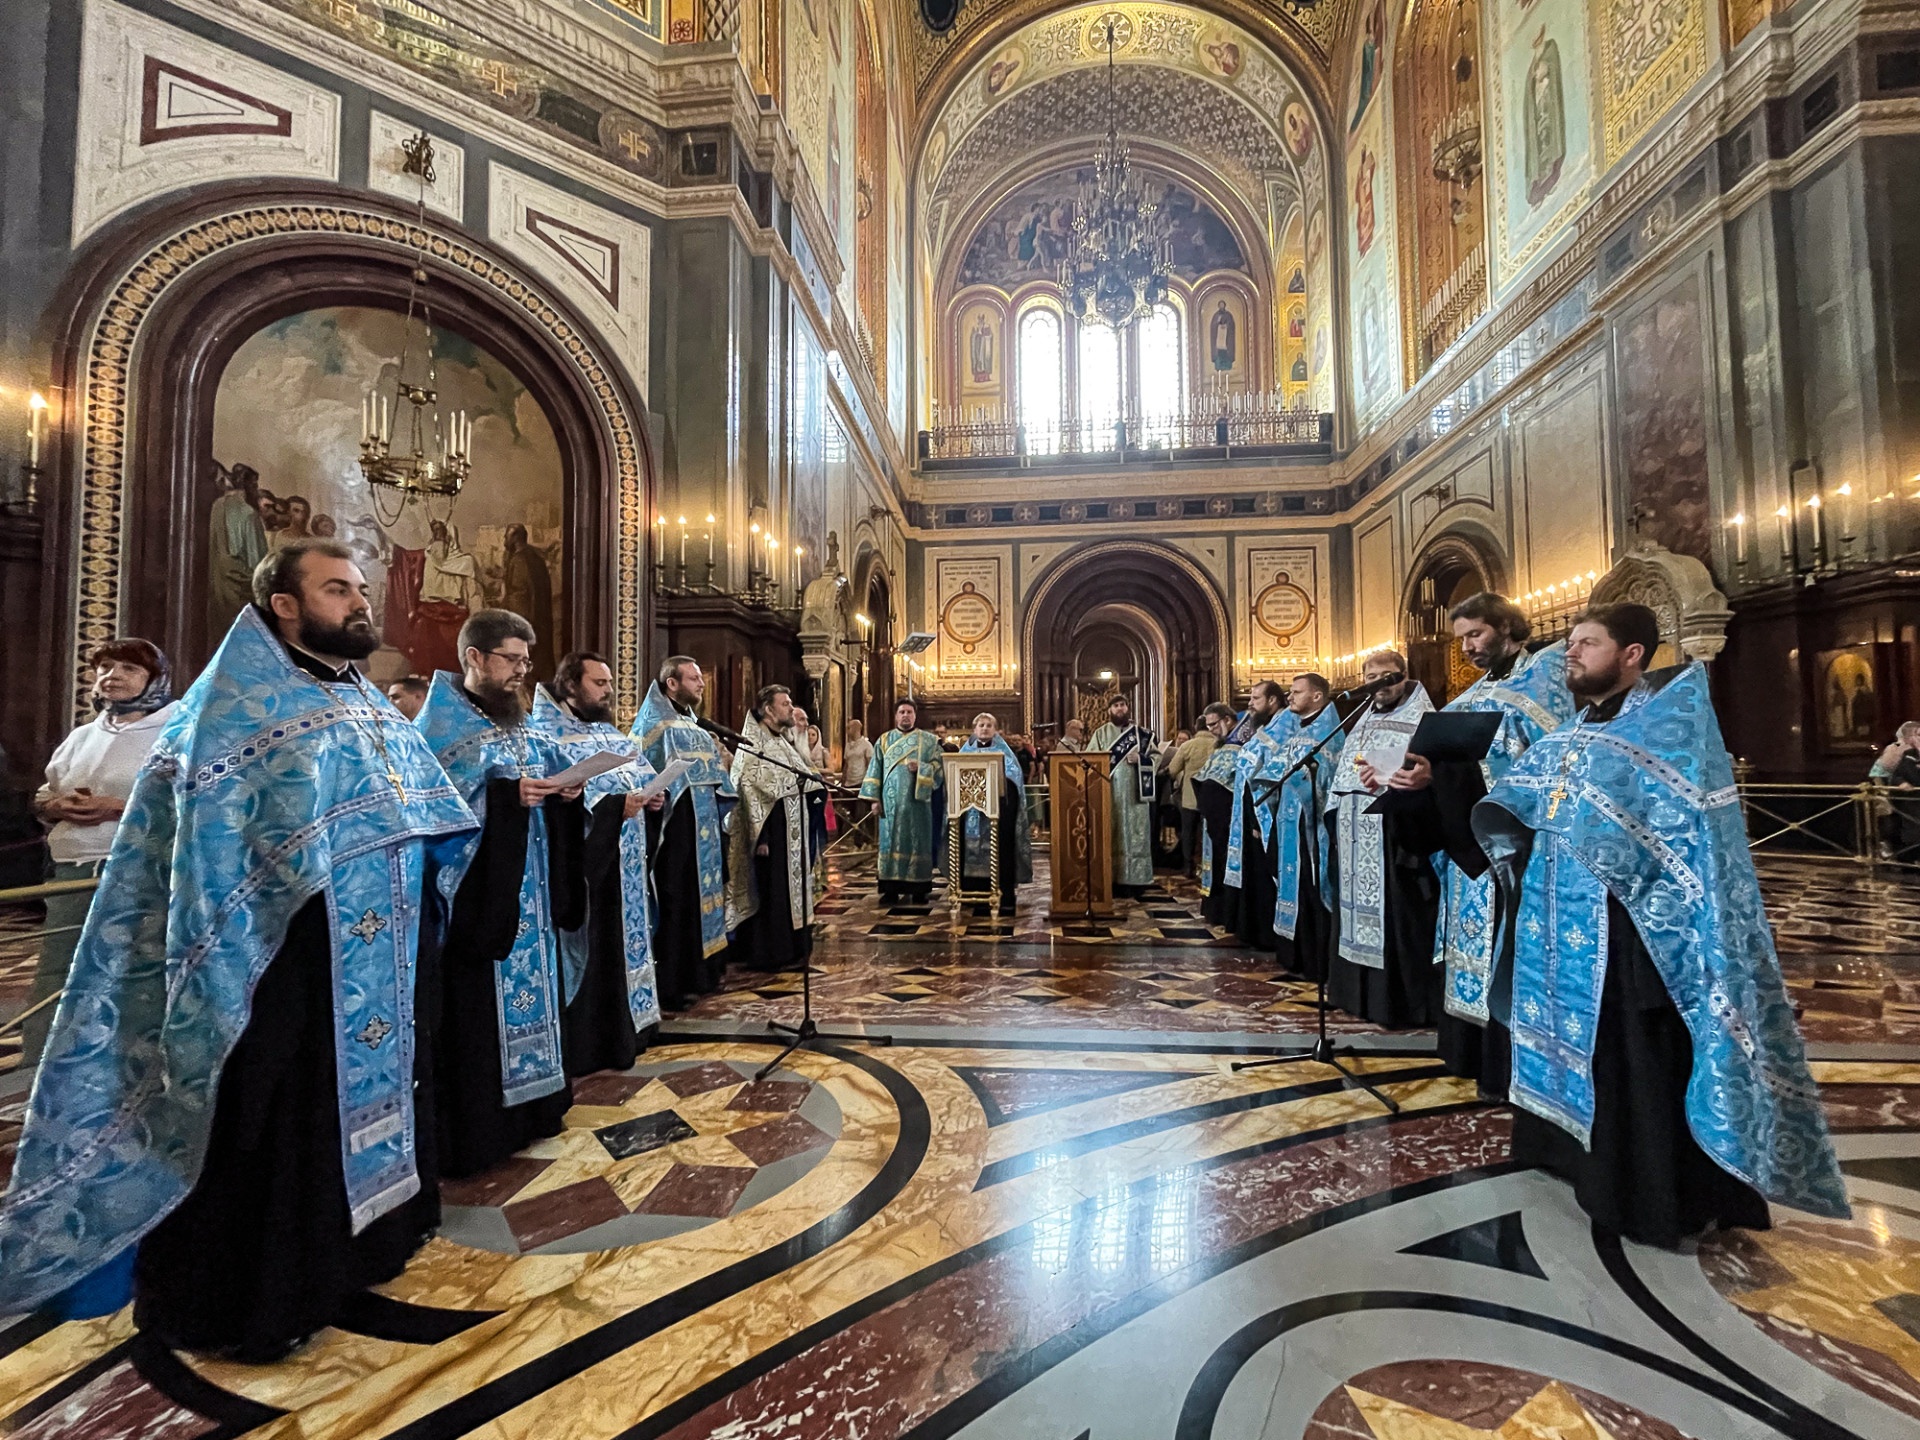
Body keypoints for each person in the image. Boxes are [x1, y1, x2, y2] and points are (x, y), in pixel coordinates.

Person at [0, 539, 475, 1359]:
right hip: (270, 958)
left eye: (360, 588)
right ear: (283, 605)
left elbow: (426, 806)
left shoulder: (361, 702)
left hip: (373, 954)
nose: (360, 603)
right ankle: (256, 1292)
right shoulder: (226, 709)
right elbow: (209, 848)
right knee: (269, 1109)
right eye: (337, 590)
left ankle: (360, 1246)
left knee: (349, 1100)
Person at [1474, 604, 1848, 1247]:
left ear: (1633, 653)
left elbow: (1690, 837)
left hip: (1635, 932)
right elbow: (1522, 803)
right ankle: (1567, 1155)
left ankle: (1646, 1193)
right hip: (1558, 922)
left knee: (1633, 1050)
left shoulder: (1670, 728)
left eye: (1587, 643)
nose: (1571, 653)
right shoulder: (1569, 732)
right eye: (1569, 643)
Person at [416, 610, 587, 1179]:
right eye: (512, 660)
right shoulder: (438, 731)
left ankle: (536, 1109)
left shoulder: (522, 725)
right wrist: (505, 797)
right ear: (474, 658)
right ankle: (484, 1128)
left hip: (530, 895)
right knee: (476, 1016)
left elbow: (548, 780)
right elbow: (431, 812)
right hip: (478, 903)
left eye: (526, 661)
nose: (522, 672)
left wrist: (567, 794)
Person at [1385, 592, 1574, 1086]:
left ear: (1508, 627)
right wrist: (1412, 779)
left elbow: (1546, 765)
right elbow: (1448, 764)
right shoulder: (1471, 698)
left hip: (1519, 850)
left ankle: (1506, 1062)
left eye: (1476, 634)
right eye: (1461, 638)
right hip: (1466, 848)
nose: (1467, 647)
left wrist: (1448, 777)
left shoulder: (1546, 683)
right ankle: (1469, 1052)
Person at [25, 639, 178, 1066]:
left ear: (155, 679)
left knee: (133, 968)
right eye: (105, 667)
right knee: (59, 967)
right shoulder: (83, 735)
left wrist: (115, 806)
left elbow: (188, 796)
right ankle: (42, 1068)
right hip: (73, 863)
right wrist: (55, 805)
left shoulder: (176, 729)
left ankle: (128, 1069)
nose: (112, 676)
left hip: (138, 864)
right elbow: (45, 791)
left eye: (128, 669)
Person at [535, 652, 666, 1077]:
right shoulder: (548, 736)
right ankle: (596, 1041)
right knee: (596, 946)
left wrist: (651, 799)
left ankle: (631, 1029)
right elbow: (565, 806)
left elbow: (640, 779)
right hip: (592, 870)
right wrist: (615, 808)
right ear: (570, 685)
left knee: (624, 943)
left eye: (609, 682)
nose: (609, 691)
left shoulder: (613, 734)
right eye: (599, 683)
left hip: (626, 864)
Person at [1326, 651, 1437, 1027]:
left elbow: (1430, 777)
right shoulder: (1361, 719)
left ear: (1403, 677)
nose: (1378, 684)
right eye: (1370, 676)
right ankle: (1353, 994)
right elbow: (1344, 773)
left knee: (1395, 915)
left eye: (1385, 677)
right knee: (1352, 912)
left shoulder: (1423, 719)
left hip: (1393, 832)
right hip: (1353, 828)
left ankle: (1393, 1002)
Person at [633, 656, 736, 1006]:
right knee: (676, 901)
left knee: (700, 899)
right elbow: (640, 774)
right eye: (693, 678)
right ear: (671, 683)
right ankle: (672, 983)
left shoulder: (695, 726)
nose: (701, 684)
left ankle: (702, 974)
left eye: (700, 678)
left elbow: (718, 782)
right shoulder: (653, 726)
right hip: (674, 832)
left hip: (704, 829)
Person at [1257, 673, 1343, 981]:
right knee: (1295, 885)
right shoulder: (1300, 731)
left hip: (1314, 830)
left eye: (1296, 692)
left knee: (1312, 888)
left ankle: (1316, 962)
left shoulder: (1329, 734)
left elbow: (1330, 777)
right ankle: (1297, 956)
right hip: (1291, 825)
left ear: (1317, 697)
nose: (1289, 697)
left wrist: (1308, 783)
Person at [725, 685, 817, 972]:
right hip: (770, 837)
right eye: (785, 703)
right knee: (773, 893)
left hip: (792, 834)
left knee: (791, 892)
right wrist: (760, 837)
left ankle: (793, 949)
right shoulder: (753, 744)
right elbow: (746, 788)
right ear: (768, 709)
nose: (791, 708)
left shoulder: (780, 742)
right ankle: (772, 953)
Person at [1221, 681, 1289, 945]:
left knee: (1265, 874)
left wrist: (1257, 819)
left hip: (1267, 814)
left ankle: (1266, 934)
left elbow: (1271, 772)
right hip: (1251, 812)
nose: (1250, 702)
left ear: (1272, 700)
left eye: (1255, 697)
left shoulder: (1286, 727)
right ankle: (1253, 930)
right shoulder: (1266, 726)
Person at [861, 698, 945, 902]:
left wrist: (923, 769)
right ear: (896, 715)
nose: (905, 715)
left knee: (917, 843)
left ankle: (919, 889)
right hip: (890, 805)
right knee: (889, 844)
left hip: (918, 804)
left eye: (909, 712)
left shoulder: (929, 741)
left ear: (915, 715)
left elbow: (940, 768)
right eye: (901, 712)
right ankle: (890, 889)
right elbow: (875, 770)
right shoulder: (883, 740)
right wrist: (874, 799)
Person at [957, 712, 1032, 915]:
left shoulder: (1005, 753)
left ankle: (1005, 894)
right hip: (971, 814)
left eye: (989, 725)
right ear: (974, 729)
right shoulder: (964, 753)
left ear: (995, 730)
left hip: (998, 816)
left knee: (1002, 851)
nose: (984, 728)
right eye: (981, 725)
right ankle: (972, 893)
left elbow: (1014, 778)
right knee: (970, 851)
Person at [1193, 702, 1259, 925]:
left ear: (1228, 720)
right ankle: (1218, 911)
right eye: (1208, 725)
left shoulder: (1243, 745)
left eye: (1214, 724)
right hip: (1215, 820)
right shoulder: (1222, 745)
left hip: (1231, 820)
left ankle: (1229, 914)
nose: (1211, 729)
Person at [1091, 695, 1156, 898]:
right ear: (1109, 710)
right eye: (1116, 705)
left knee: (1137, 835)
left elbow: (1157, 757)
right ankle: (1112, 879)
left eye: (1123, 705)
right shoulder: (1101, 733)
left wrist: (1141, 758)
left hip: (1136, 795)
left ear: (1128, 708)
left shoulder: (1142, 735)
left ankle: (1137, 881)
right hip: (1110, 794)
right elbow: (1090, 759)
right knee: (1112, 833)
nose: (1120, 709)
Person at [206, 462, 266, 637]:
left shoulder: (217, 505)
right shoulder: (249, 513)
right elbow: (258, 561)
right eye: (255, 486)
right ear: (248, 486)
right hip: (241, 585)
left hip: (217, 580)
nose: (256, 490)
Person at [1167, 715, 1218, 875]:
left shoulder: (1188, 746)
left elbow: (1173, 769)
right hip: (1212, 797)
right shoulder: (1218, 745)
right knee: (1210, 832)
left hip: (1190, 797)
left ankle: (1188, 866)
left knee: (1188, 832)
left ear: (1196, 727)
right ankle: (1209, 867)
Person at [1871, 721, 1920, 861]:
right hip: (1911, 802)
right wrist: (1901, 783)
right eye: (1917, 735)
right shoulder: (1907, 754)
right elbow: (1896, 774)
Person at [841, 718, 874, 790]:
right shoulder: (848, 745)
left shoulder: (866, 745)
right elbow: (846, 765)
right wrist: (842, 782)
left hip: (860, 782)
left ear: (856, 729)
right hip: (848, 783)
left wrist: (868, 782)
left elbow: (870, 764)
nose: (847, 731)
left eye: (849, 728)